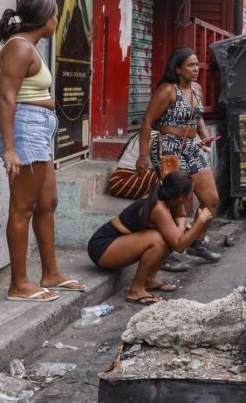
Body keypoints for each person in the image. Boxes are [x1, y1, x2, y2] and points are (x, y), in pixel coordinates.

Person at [0, 0, 87, 302]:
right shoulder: (19, 47)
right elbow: (6, 97)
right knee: (23, 208)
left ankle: (51, 273)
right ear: (45, 18)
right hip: (25, 130)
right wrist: (10, 149)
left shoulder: (29, 46)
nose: (57, 20)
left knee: (47, 203)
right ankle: (18, 284)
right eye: (55, 15)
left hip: (38, 129)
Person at [136, 48, 221, 272]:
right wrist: (143, 156)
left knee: (211, 199)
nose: (196, 69)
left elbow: (197, 115)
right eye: (190, 65)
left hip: (192, 147)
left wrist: (203, 135)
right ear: (177, 68)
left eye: (197, 65)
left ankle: (196, 242)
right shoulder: (167, 90)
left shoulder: (196, 88)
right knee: (174, 202)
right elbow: (147, 122)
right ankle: (164, 253)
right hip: (168, 149)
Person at [87, 171, 213, 306]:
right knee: (157, 239)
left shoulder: (171, 198)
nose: (191, 195)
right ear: (182, 196)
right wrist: (200, 222)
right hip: (102, 248)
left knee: (166, 236)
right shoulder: (158, 207)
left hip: (116, 245)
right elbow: (179, 246)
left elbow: (180, 218)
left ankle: (149, 280)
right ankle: (136, 290)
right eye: (191, 193)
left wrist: (180, 227)